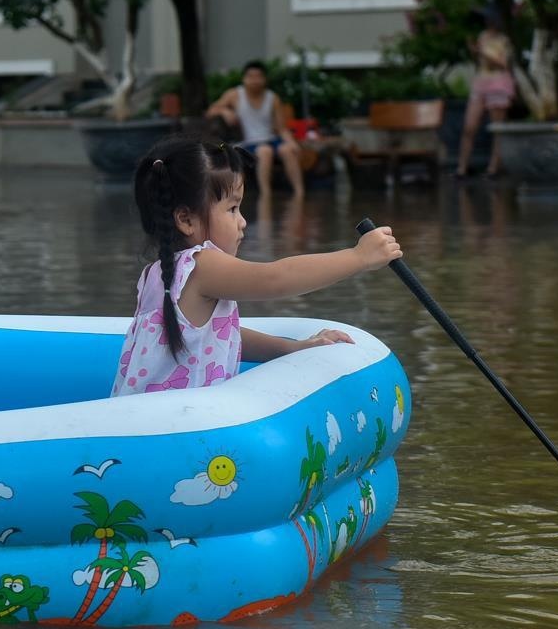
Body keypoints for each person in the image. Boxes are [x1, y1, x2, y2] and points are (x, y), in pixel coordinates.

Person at [110, 136, 404, 397]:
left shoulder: (158, 272)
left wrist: (291, 348)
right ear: (186, 220)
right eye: (232, 208)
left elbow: (221, 334)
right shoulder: (201, 265)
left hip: (145, 429)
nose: (243, 221)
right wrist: (358, 257)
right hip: (172, 433)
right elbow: (276, 278)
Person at [207, 60, 306, 201]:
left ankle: (299, 193)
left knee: (288, 150)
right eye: (250, 76)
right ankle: (266, 194)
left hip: (270, 139)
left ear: (264, 79)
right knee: (265, 151)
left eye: (258, 76)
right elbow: (211, 110)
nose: (254, 80)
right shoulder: (235, 95)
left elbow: (282, 128)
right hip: (249, 142)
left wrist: (292, 143)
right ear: (244, 78)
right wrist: (224, 110)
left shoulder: (273, 98)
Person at [457, 27, 516, 179]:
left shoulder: (504, 39)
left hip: (499, 84)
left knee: (497, 128)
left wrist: (481, 51)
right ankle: (462, 168)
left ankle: (493, 168)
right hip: (481, 82)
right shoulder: (482, 35)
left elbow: (502, 63)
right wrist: (474, 51)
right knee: (469, 127)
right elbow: (480, 62)